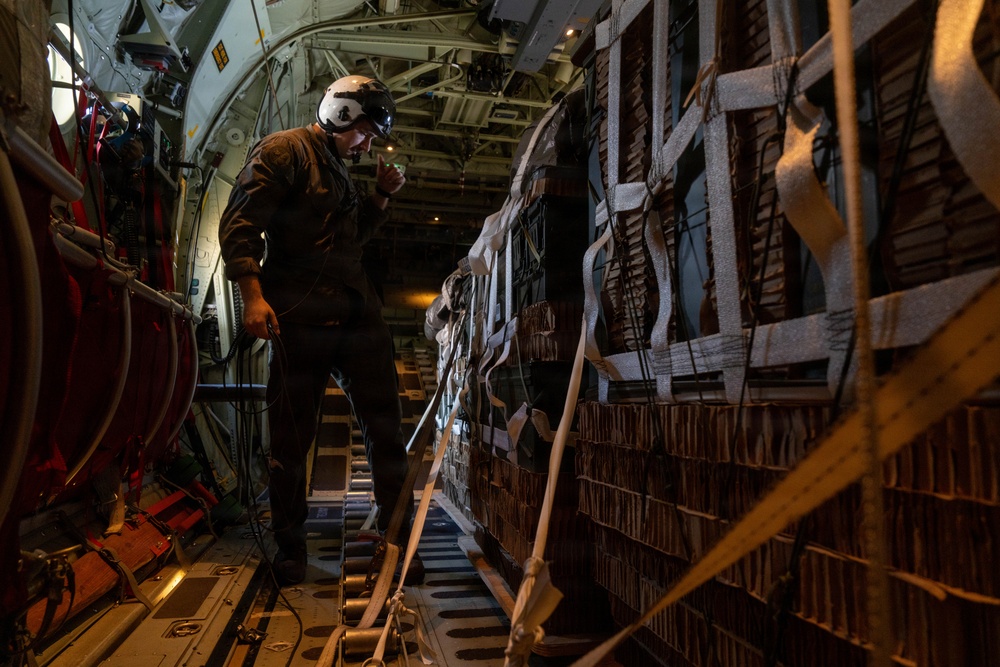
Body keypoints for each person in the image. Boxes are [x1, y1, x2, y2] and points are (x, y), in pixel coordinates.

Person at [218, 75, 421, 586]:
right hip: (300, 317)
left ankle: (399, 544)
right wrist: (253, 297)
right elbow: (240, 224)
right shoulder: (284, 151)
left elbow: (351, 240)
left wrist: (381, 195)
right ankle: (291, 550)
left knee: (386, 433)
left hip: (356, 316)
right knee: (290, 442)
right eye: (364, 134)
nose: (366, 145)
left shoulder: (340, 170)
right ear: (340, 114)